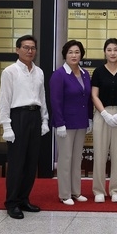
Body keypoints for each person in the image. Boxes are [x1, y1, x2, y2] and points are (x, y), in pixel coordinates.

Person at [0, 35, 50, 219]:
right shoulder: (10, 72)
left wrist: (45, 120)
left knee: (30, 162)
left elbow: (42, 97)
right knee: (17, 163)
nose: (30, 51)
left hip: (35, 116)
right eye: (26, 47)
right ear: (17, 49)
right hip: (18, 117)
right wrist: (6, 126)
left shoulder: (39, 72)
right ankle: (11, 202)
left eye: (33, 48)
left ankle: (23, 199)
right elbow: (4, 100)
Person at [49, 40, 93, 205]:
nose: (74, 55)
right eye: (70, 52)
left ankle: (76, 191)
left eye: (77, 52)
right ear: (65, 55)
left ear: (81, 54)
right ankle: (64, 194)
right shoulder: (59, 75)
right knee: (65, 159)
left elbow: (88, 98)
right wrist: (59, 123)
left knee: (76, 159)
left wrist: (89, 118)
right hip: (65, 124)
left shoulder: (84, 73)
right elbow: (55, 101)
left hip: (81, 122)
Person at [91, 38, 117, 203]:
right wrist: (104, 113)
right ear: (105, 52)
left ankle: (116, 189)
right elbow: (94, 95)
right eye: (109, 50)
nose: (112, 53)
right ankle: (99, 190)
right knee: (100, 153)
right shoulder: (99, 71)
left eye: (115, 49)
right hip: (102, 115)